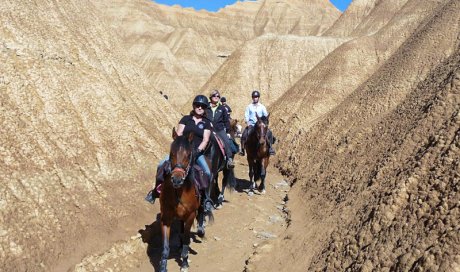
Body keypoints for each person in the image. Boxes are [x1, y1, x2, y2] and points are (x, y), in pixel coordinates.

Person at [145, 95, 212, 205]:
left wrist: (198, 151)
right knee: (161, 164)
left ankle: (206, 199)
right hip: (181, 152)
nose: (200, 108)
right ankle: (155, 192)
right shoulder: (186, 119)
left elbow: (205, 139)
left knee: (207, 172)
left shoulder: (207, 123)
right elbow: (179, 133)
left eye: (203, 106)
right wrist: (180, 148)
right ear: (194, 106)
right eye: (197, 105)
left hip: (196, 153)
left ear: (205, 109)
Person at [239, 90, 275, 156]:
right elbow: (246, 115)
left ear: (258, 98)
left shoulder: (262, 107)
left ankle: (270, 148)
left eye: (256, 97)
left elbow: (265, 115)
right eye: (254, 97)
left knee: (269, 133)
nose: (255, 98)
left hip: (260, 125)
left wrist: (265, 122)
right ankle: (242, 149)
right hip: (252, 125)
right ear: (252, 98)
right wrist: (248, 122)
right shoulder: (249, 107)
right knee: (244, 134)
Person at [206, 90, 235, 169]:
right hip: (207, 130)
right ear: (210, 97)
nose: (216, 97)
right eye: (214, 96)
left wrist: (228, 131)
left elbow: (226, 120)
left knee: (226, 141)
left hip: (219, 129)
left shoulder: (222, 108)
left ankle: (229, 159)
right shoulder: (206, 107)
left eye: (218, 96)